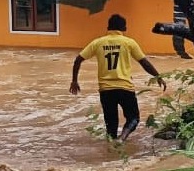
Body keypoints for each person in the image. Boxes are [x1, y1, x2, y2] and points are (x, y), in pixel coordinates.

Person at [70, 13, 166, 141]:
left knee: (111, 127)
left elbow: (78, 60)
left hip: (106, 90)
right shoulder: (129, 43)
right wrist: (158, 76)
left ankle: (110, 153)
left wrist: (74, 81)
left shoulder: (98, 43)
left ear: (108, 27)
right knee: (133, 118)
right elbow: (144, 62)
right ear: (124, 29)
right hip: (125, 88)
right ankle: (123, 137)